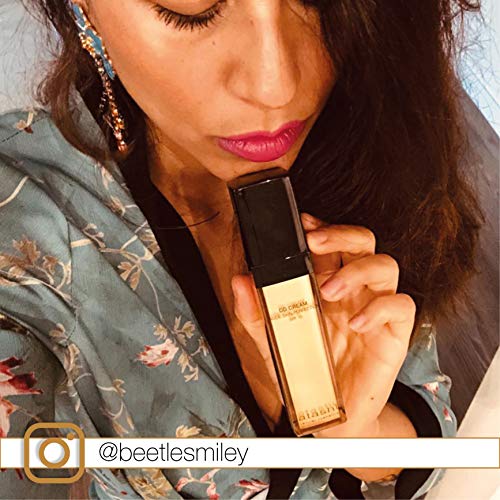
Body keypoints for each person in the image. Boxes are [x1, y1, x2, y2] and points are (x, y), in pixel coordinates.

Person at [0, 0, 485, 498]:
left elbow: (428, 419)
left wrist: (362, 436)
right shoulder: (18, 221)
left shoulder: (366, 134)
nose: (277, 87)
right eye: (191, 7)